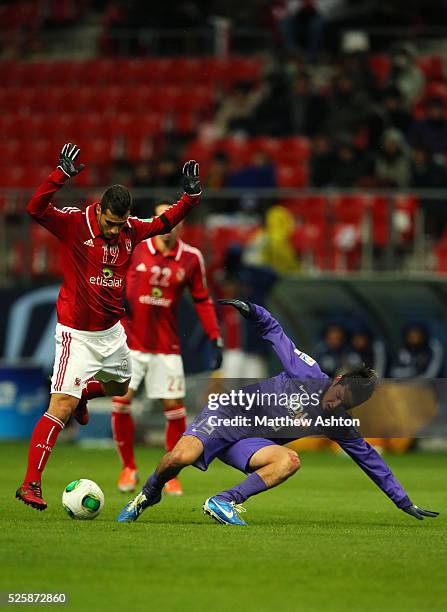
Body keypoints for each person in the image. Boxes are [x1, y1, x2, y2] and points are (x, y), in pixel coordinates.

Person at [117, 300, 438, 525]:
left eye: (346, 404)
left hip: (250, 442)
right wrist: (252, 310)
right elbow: (275, 332)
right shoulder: (307, 372)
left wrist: (402, 501)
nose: (335, 404)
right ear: (337, 380)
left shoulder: (338, 421)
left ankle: (224, 501)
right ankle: (147, 495)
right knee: (178, 459)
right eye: (339, 395)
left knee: (289, 460)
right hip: (228, 415)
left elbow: (370, 458)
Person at [15, 143, 202, 511]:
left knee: (119, 386)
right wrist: (60, 176)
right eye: (110, 223)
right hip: (76, 335)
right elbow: (34, 208)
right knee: (61, 405)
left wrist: (190, 197)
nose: (116, 230)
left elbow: (163, 223)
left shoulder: (130, 229)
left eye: (122, 223)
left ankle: (86, 393)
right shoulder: (73, 223)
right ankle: (30, 484)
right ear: (99, 211)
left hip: (113, 333)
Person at [112, 200, 223, 495]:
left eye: (174, 221)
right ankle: (128, 467)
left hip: (166, 346)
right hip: (130, 343)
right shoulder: (135, 248)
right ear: (155, 221)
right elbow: (111, 278)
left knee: (173, 407)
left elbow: (201, 299)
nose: (168, 225)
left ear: (181, 225)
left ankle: (171, 472)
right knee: (121, 400)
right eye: (163, 219)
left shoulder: (191, 257)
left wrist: (214, 336)